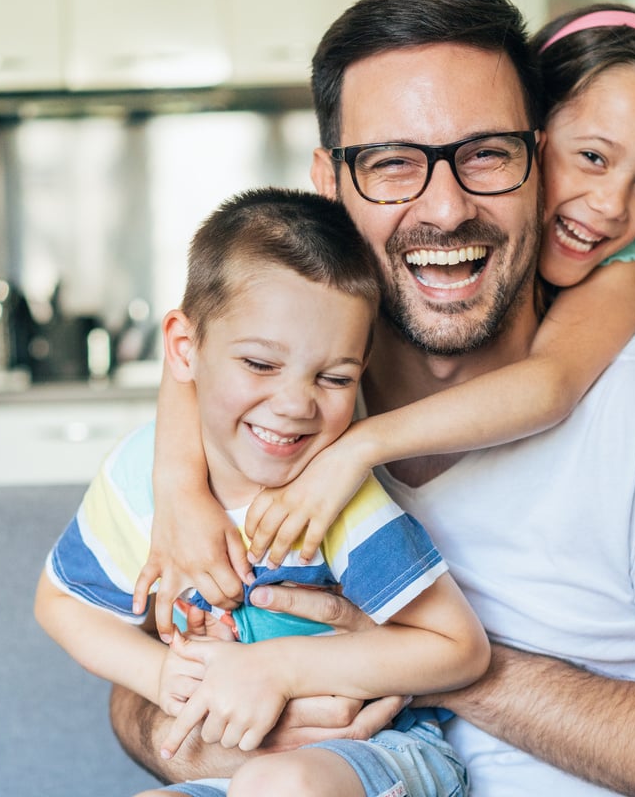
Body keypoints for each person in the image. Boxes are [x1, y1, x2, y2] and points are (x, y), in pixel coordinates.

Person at [113, 0, 635, 794]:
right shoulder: (284, 402)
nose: (445, 209)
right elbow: (136, 700)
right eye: (391, 163)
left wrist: (410, 655)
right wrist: (218, 734)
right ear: (327, 183)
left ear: (535, 160)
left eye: (484, 155)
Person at [34, 187, 490, 797]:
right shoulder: (140, 474)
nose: (296, 404)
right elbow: (59, 604)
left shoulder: (330, 495)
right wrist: (161, 674)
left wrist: (273, 668)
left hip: (382, 752)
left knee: (283, 786)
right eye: (260, 364)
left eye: (334, 378)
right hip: (237, 768)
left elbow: (458, 647)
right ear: (183, 350)